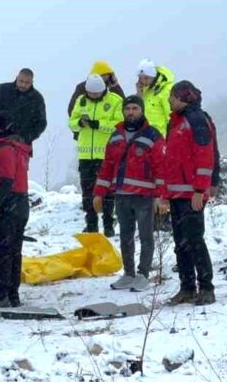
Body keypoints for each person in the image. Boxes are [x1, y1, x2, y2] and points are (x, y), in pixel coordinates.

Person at [92, 95, 165, 292]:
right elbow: (107, 166)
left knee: (146, 235)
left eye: (134, 108)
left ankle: (143, 274)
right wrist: (98, 193)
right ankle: (129, 273)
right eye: (128, 108)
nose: (130, 112)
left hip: (144, 196)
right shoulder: (115, 135)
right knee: (125, 235)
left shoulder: (152, 135)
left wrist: (160, 196)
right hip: (121, 195)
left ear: (141, 110)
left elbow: (160, 167)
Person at [158, 80, 217, 306]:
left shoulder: (197, 120)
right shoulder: (174, 122)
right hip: (175, 194)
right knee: (180, 243)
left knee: (195, 241)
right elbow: (169, 161)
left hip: (192, 193)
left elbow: (205, 156)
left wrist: (200, 190)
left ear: (184, 98)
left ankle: (207, 288)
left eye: (173, 96)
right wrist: (164, 193)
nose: (169, 100)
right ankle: (187, 287)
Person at [0, 114, 32, 311]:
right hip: (21, 201)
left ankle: (1, 295)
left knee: (3, 251)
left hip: (10, 202)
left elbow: (6, 179)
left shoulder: (3, 149)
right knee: (14, 250)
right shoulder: (18, 147)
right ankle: (12, 294)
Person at [69, 74, 124, 236]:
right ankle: (91, 223)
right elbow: (71, 122)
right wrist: (79, 123)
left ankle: (108, 223)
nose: (93, 96)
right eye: (90, 93)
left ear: (103, 90)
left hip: (106, 155)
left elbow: (119, 125)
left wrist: (98, 125)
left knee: (107, 191)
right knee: (88, 191)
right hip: (86, 155)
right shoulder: (81, 100)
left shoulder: (114, 100)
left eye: (96, 93)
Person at [0, 69, 48, 147]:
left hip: (20, 144)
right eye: (21, 81)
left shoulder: (37, 99)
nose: (23, 85)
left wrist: (23, 137)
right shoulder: (3, 90)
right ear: (17, 78)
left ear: (32, 82)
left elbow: (41, 124)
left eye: (27, 83)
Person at [67, 61, 125, 140]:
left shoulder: (113, 87)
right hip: (85, 135)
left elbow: (124, 107)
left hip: (110, 136)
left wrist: (115, 86)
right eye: (103, 75)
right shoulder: (82, 87)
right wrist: (80, 125)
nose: (105, 77)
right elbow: (72, 110)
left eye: (107, 75)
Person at [136, 59, 176, 136]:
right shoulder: (145, 90)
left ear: (153, 76)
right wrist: (139, 96)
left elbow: (172, 117)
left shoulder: (166, 90)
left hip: (161, 139)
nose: (143, 81)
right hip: (144, 137)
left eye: (146, 78)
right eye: (140, 78)